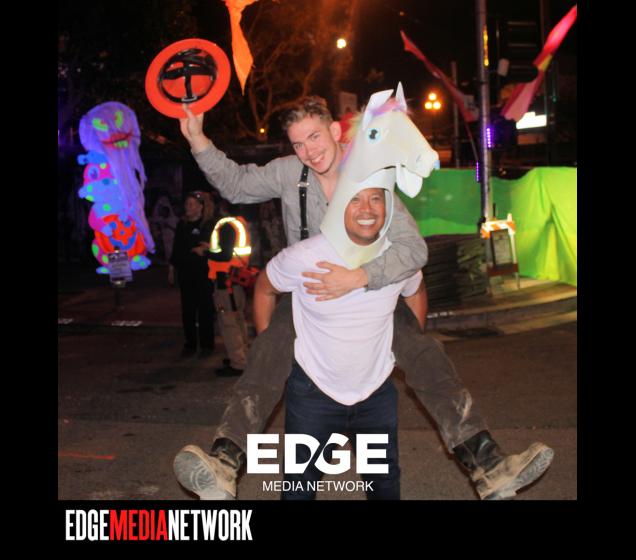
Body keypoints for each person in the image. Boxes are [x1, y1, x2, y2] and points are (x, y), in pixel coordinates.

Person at [173, 91, 553, 501]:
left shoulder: (369, 170)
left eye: (314, 137)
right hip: (311, 293)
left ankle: (487, 464)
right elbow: (237, 184)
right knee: (266, 355)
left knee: (425, 355)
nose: (309, 152)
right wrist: (197, 139)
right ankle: (225, 461)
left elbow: (414, 250)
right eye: (298, 144)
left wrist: (360, 279)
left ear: (335, 131)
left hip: (373, 289)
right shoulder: (289, 172)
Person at [256, 183, 425, 500]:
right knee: (299, 488)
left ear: (388, 207)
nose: (367, 209)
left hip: (376, 393)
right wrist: (270, 350)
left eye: (375, 199)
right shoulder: (305, 256)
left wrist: (409, 346)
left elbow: (416, 291)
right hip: (313, 393)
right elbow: (265, 288)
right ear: (337, 208)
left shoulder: (398, 256)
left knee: (385, 486)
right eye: (355, 200)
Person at [168, 191, 216, 358]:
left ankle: (207, 345)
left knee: (205, 310)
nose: (187, 207)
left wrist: (203, 248)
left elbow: (210, 247)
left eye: (191, 204)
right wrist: (171, 269)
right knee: (188, 310)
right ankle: (190, 344)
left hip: (203, 274)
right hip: (185, 274)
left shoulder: (208, 225)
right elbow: (176, 249)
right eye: (186, 204)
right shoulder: (182, 225)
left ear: (200, 207)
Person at [207, 199, 250, 377]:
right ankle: (243, 355)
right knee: (238, 319)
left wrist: (206, 251)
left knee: (228, 322)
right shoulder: (240, 223)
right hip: (236, 279)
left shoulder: (226, 225)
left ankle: (238, 362)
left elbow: (224, 255)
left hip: (225, 281)